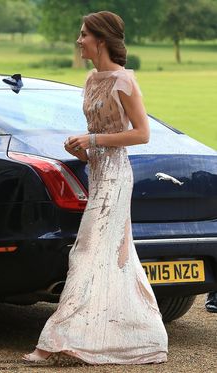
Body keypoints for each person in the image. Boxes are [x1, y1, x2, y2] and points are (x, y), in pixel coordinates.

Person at [22, 11, 168, 366]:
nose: (78, 40)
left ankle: (52, 341)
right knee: (116, 258)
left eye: (84, 34)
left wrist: (93, 139)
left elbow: (142, 133)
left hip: (117, 177)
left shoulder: (124, 81)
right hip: (97, 172)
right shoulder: (91, 80)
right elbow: (97, 136)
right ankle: (144, 334)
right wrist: (83, 149)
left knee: (85, 252)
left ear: (100, 40)